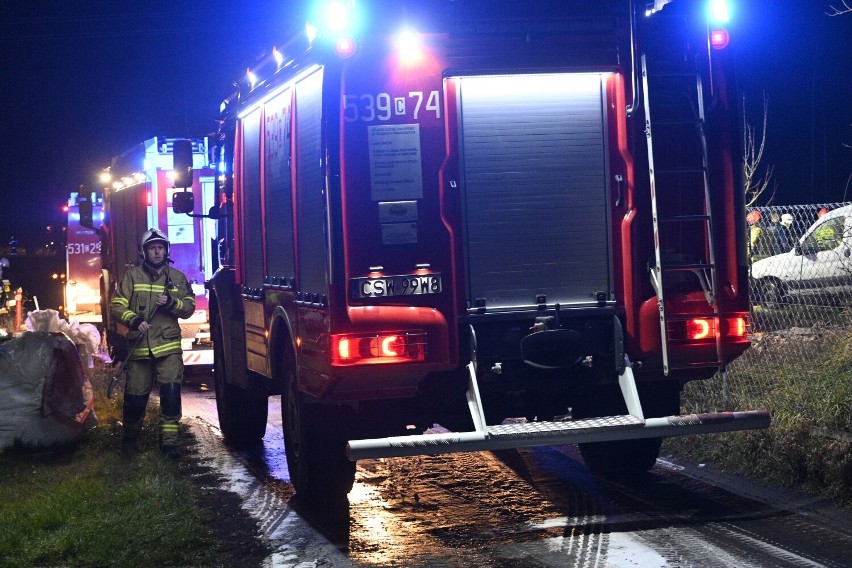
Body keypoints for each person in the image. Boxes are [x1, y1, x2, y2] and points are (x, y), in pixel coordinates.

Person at [111, 228, 195, 458]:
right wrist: (135, 320)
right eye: (152, 248)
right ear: (144, 251)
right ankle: (129, 442)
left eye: (160, 248)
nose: (157, 252)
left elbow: (188, 308)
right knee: (135, 400)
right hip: (139, 348)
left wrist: (171, 303)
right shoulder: (132, 277)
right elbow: (117, 305)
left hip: (168, 348)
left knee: (170, 395)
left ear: (166, 250)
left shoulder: (177, 278)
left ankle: (169, 445)